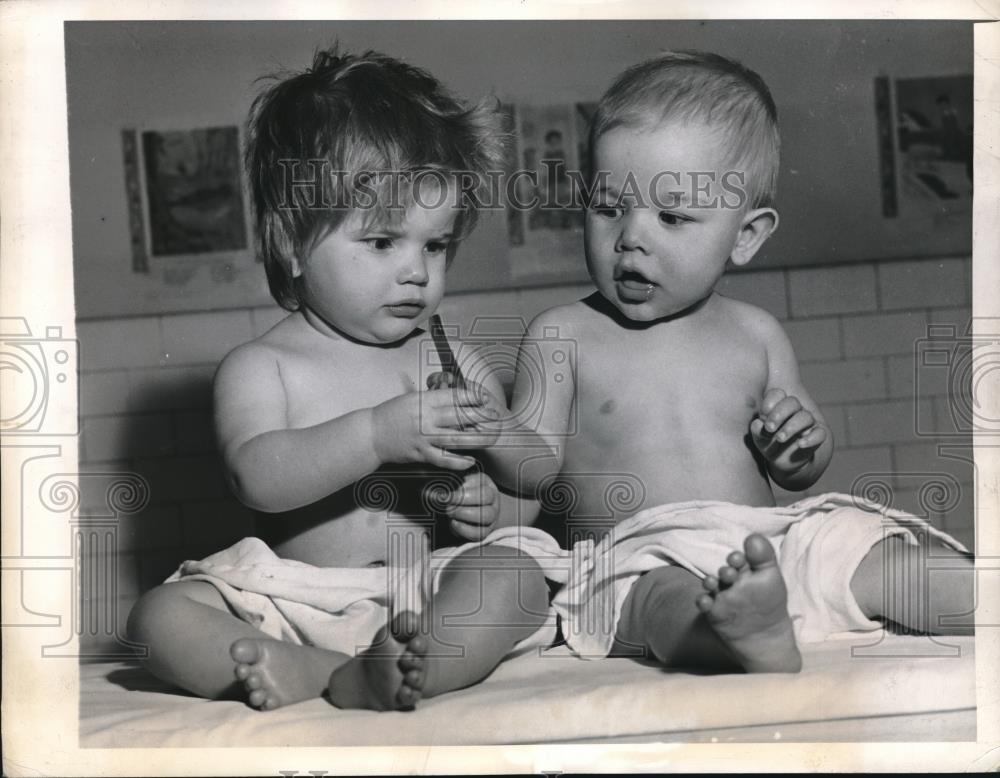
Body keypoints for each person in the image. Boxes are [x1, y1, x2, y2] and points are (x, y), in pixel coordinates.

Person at [481, 51, 974, 674]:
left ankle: (972, 596)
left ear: (745, 236)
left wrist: (798, 446)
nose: (632, 236)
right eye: (608, 208)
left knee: (864, 546)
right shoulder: (560, 336)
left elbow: (803, 471)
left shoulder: (755, 332)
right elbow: (527, 477)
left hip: (767, 542)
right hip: (638, 553)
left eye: (671, 216)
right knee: (658, 600)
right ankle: (736, 635)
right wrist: (483, 490)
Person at [127, 47, 560, 713]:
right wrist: (377, 432)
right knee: (158, 618)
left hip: (425, 601)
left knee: (516, 572)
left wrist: (489, 501)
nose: (417, 271)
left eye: (435, 245)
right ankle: (327, 668)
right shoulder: (262, 366)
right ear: (293, 245)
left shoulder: (452, 361)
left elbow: (533, 482)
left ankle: (412, 667)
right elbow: (258, 478)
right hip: (292, 596)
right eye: (383, 242)